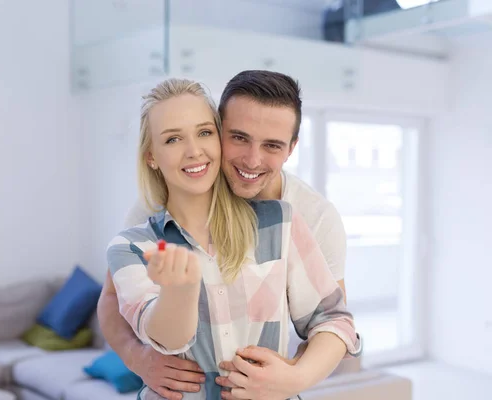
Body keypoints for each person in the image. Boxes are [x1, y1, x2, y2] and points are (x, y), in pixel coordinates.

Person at [98, 70, 350, 400]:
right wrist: (140, 358)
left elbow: (333, 320)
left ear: (291, 148)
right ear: (222, 130)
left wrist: (291, 379)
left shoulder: (306, 218)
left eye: (271, 145)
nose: (252, 159)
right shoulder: (146, 221)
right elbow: (113, 300)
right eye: (240, 138)